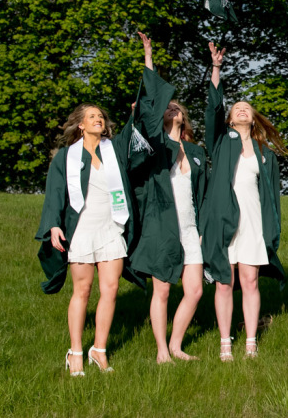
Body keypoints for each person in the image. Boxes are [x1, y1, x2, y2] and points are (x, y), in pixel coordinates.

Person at [35, 42, 148, 376]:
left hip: (111, 226)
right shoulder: (66, 157)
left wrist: (146, 62)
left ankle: (99, 349)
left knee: (110, 289)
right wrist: (54, 226)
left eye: (101, 116)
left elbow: (137, 126)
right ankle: (75, 353)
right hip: (82, 229)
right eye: (92, 117)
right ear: (80, 125)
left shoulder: (115, 151)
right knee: (82, 290)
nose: (99, 119)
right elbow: (55, 194)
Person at [201, 42, 287, 361]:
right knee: (225, 281)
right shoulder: (221, 143)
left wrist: (272, 230)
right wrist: (216, 69)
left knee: (250, 280)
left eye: (246, 108)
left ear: (252, 119)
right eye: (235, 107)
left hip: (252, 222)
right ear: (230, 119)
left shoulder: (265, 155)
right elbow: (211, 110)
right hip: (223, 220)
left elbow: (272, 199)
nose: (240, 109)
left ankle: (250, 342)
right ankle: (226, 342)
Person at [129, 33, 207, 363]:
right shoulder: (156, 148)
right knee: (162, 290)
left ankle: (177, 344)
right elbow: (151, 98)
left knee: (195, 290)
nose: (172, 107)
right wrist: (148, 52)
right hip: (163, 227)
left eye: (177, 107)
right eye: (168, 106)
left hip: (191, 230)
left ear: (184, 118)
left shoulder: (195, 151)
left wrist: (203, 228)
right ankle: (162, 351)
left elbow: (203, 193)